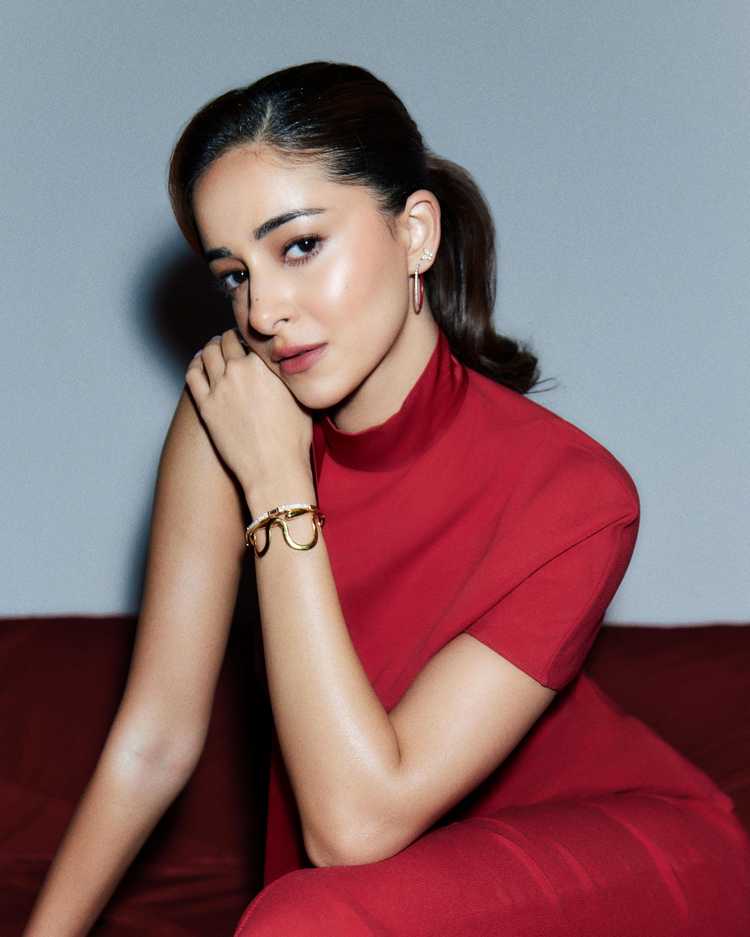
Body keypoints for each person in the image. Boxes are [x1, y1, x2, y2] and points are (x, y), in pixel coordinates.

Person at [23, 60, 750, 937]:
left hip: (618, 860)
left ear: (415, 233)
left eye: (299, 246)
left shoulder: (577, 494)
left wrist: (280, 486)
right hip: (365, 880)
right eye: (233, 274)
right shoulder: (228, 415)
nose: (262, 310)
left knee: (306, 921)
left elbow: (354, 829)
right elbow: (154, 742)